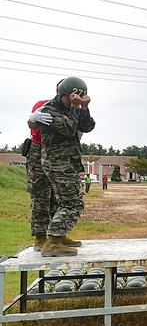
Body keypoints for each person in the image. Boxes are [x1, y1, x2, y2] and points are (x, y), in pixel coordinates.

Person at [31, 77, 95, 256]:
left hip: (68, 163)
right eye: (73, 98)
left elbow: (87, 126)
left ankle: (57, 236)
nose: (74, 102)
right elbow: (68, 129)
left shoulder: (70, 108)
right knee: (72, 202)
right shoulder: (48, 110)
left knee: (65, 201)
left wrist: (84, 108)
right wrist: (75, 108)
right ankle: (52, 241)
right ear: (64, 94)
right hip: (56, 163)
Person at [25, 97, 55, 251]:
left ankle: (56, 237)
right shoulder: (43, 105)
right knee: (40, 197)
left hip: (57, 153)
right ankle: (40, 238)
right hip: (38, 151)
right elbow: (31, 125)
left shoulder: (72, 110)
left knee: (57, 198)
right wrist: (32, 118)